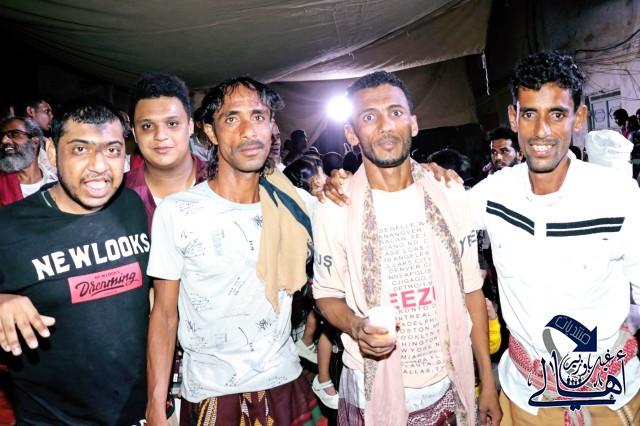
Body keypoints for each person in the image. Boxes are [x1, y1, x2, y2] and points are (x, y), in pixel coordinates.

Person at [312, 70, 500, 426]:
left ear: (413, 123)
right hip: (369, 392)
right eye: (369, 117)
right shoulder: (334, 207)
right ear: (352, 133)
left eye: (395, 113)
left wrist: (487, 383)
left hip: (449, 385)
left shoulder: (450, 194)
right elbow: (326, 295)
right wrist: (355, 325)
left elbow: (471, 292)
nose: (385, 126)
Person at [470, 51, 640, 424]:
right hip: (524, 399)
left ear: (578, 118)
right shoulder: (493, 194)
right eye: (529, 114)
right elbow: (433, 212)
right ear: (513, 117)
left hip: (609, 400)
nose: (541, 131)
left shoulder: (619, 197)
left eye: (557, 114)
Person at [145, 77, 322, 425]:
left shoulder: (299, 206)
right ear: (210, 131)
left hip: (284, 381)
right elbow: (164, 315)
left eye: (258, 116)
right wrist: (155, 405)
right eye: (231, 118)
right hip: (210, 393)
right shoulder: (177, 212)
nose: (248, 131)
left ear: (272, 126)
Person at [0, 98, 150, 424]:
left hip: (135, 414)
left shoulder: (131, 206)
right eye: (81, 149)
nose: (99, 165)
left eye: (112, 150)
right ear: (53, 152)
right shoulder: (9, 227)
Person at [0, 116, 57, 206]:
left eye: (14, 134)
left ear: (35, 141)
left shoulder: (56, 183)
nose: (4, 141)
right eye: (1, 137)